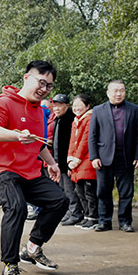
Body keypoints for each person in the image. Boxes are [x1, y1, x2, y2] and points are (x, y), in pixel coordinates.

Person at [0, 60, 69, 275]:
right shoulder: (4, 102)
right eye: (41, 82)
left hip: (29, 172)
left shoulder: (40, 111)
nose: (44, 88)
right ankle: (9, 266)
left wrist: (52, 163)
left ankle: (32, 248)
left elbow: (39, 143)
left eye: (49, 86)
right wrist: (15, 135)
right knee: (16, 207)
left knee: (59, 201)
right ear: (26, 78)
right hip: (1, 169)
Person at [88, 80, 138, 232]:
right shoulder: (98, 110)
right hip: (104, 157)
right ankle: (104, 221)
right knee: (103, 191)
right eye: (115, 91)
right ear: (108, 93)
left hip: (126, 157)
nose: (119, 94)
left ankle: (125, 222)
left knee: (126, 192)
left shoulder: (134, 110)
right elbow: (92, 135)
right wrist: (93, 157)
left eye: (122, 90)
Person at [66, 94, 98, 230]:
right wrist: (69, 158)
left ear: (87, 106)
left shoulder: (89, 119)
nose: (77, 108)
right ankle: (86, 216)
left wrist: (76, 160)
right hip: (77, 161)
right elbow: (72, 142)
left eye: (80, 105)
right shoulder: (76, 121)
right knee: (79, 190)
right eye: (74, 106)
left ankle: (93, 217)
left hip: (86, 160)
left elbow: (85, 141)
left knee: (89, 191)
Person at [52, 94, 83, 226]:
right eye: (55, 105)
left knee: (70, 190)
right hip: (58, 162)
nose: (57, 108)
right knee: (63, 190)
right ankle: (68, 212)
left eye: (60, 105)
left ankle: (76, 213)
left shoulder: (70, 120)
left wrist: (68, 163)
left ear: (67, 106)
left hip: (67, 162)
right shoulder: (57, 120)